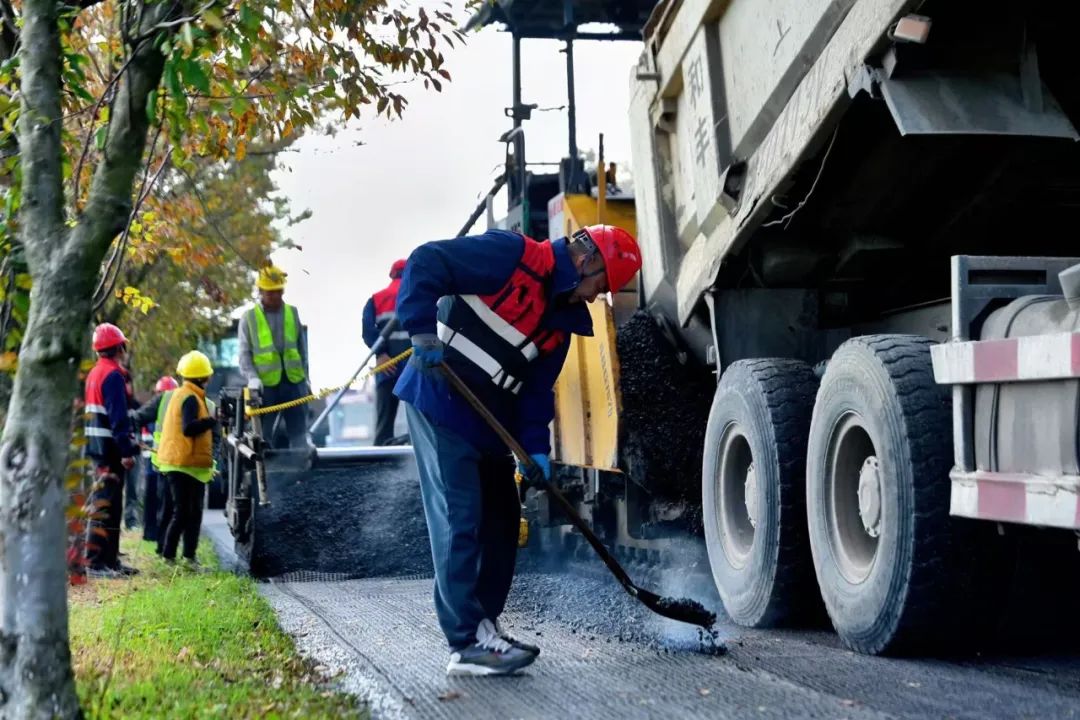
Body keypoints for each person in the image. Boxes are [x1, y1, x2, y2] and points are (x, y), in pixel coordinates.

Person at [394, 224, 641, 676]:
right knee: (460, 517)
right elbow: (426, 260)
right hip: (441, 401)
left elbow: (534, 397)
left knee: (503, 523)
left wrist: (536, 453)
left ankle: (484, 626)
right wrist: (421, 331)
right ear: (587, 259)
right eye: (599, 286)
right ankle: (466, 643)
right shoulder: (510, 255)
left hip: (488, 423)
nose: (593, 297)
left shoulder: (561, 328)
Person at [83, 322, 140, 577]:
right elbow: (118, 419)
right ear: (119, 346)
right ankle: (95, 563)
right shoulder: (114, 375)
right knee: (104, 507)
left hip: (98, 449)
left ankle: (110, 561)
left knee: (111, 506)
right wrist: (127, 451)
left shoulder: (95, 373)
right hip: (111, 451)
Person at [157, 351, 219, 565]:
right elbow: (188, 429)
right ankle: (171, 556)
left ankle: (186, 555)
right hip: (183, 463)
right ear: (204, 377)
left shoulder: (182, 393)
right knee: (185, 513)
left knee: (189, 513)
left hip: (182, 462)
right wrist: (212, 421)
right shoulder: (191, 398)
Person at [239, 265, 311, 449]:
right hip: (265, 386)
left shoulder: (292, 313)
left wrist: (306, 380)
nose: (275, 296)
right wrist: (252, 378)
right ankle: (265, 474)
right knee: (262, 437)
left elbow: (302, 351)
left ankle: (302, 469)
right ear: (261, 292)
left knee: (299, 434)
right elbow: (244, 355)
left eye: (279, 292)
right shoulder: (249, 318)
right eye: (270, 293)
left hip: (293, 382)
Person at [362, 259, 412, 445]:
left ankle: (381, 455)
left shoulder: (376, 299)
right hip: (414, 365)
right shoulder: (417, 296)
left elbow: (367, 331)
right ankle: (414, 449)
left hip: (386, 366)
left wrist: (382, 355)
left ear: (392, 275)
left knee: (384, 421)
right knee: (419, 417)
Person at [130, 375, 178, 547]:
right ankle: (152, 535)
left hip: (159, 463)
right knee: (157, 502)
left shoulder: (156, 409)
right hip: (155, 463)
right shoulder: (154, 409)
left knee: (161, 503)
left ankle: (157, 535)